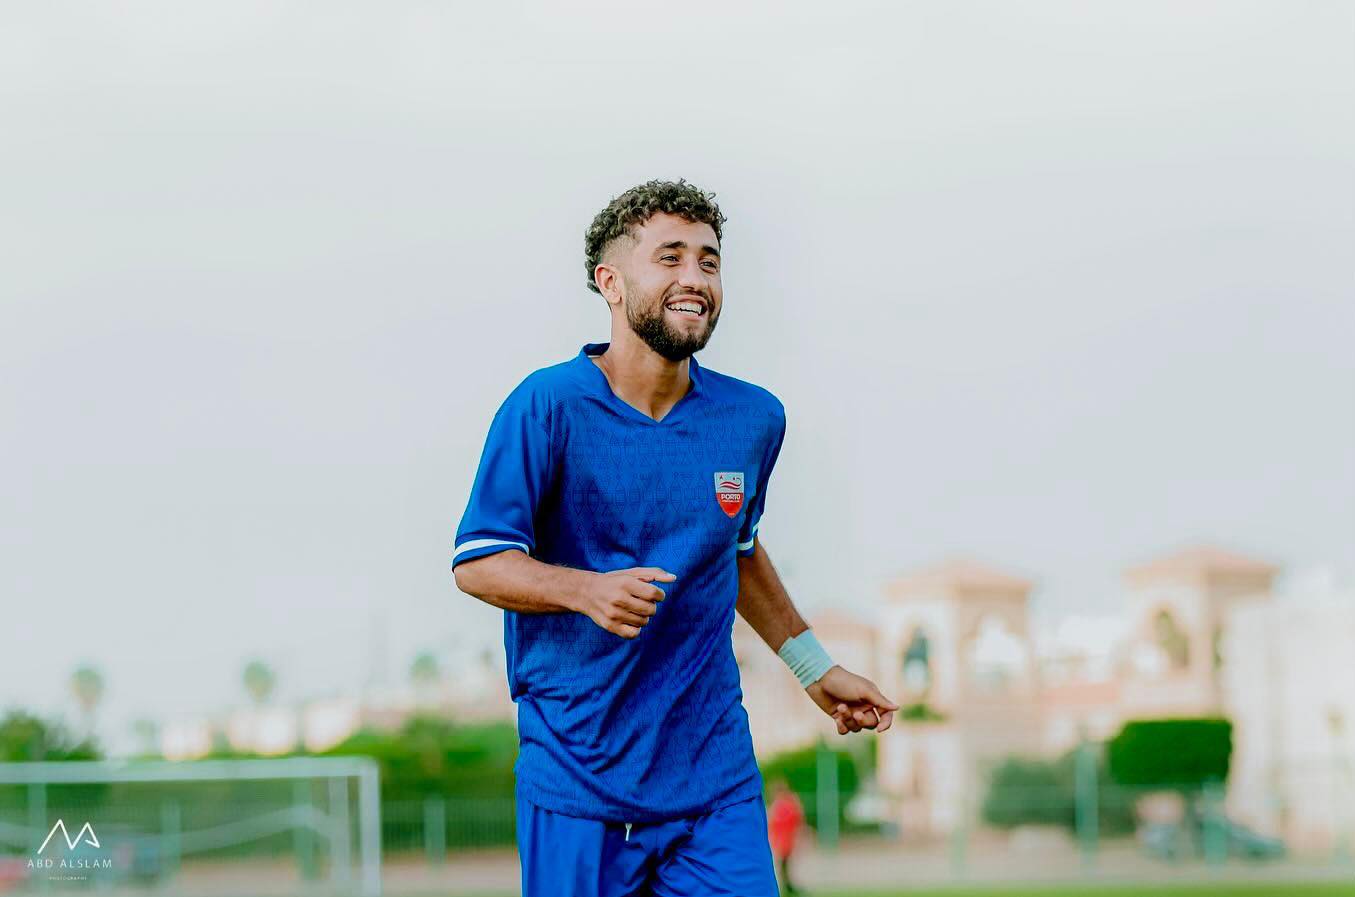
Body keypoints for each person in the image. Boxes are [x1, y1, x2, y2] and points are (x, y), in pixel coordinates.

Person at [452, 179, 897, 897]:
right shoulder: (545, 406)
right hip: (577, 782)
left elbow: (737, 550)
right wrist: (586, 590)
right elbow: (478, 561)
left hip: (714, 782)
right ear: (610, 282)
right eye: (670, 257)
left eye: (708, 261)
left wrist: (814, 668)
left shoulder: (753, 418)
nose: (695, 277)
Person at [768, 778, 806, 895]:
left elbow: (795, 821)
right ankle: (787, 887)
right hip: (781, 841)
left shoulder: (785, 805)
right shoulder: (782, 804)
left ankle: (788, 887)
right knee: (783, 866)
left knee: (784, 866)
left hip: (785, 841)